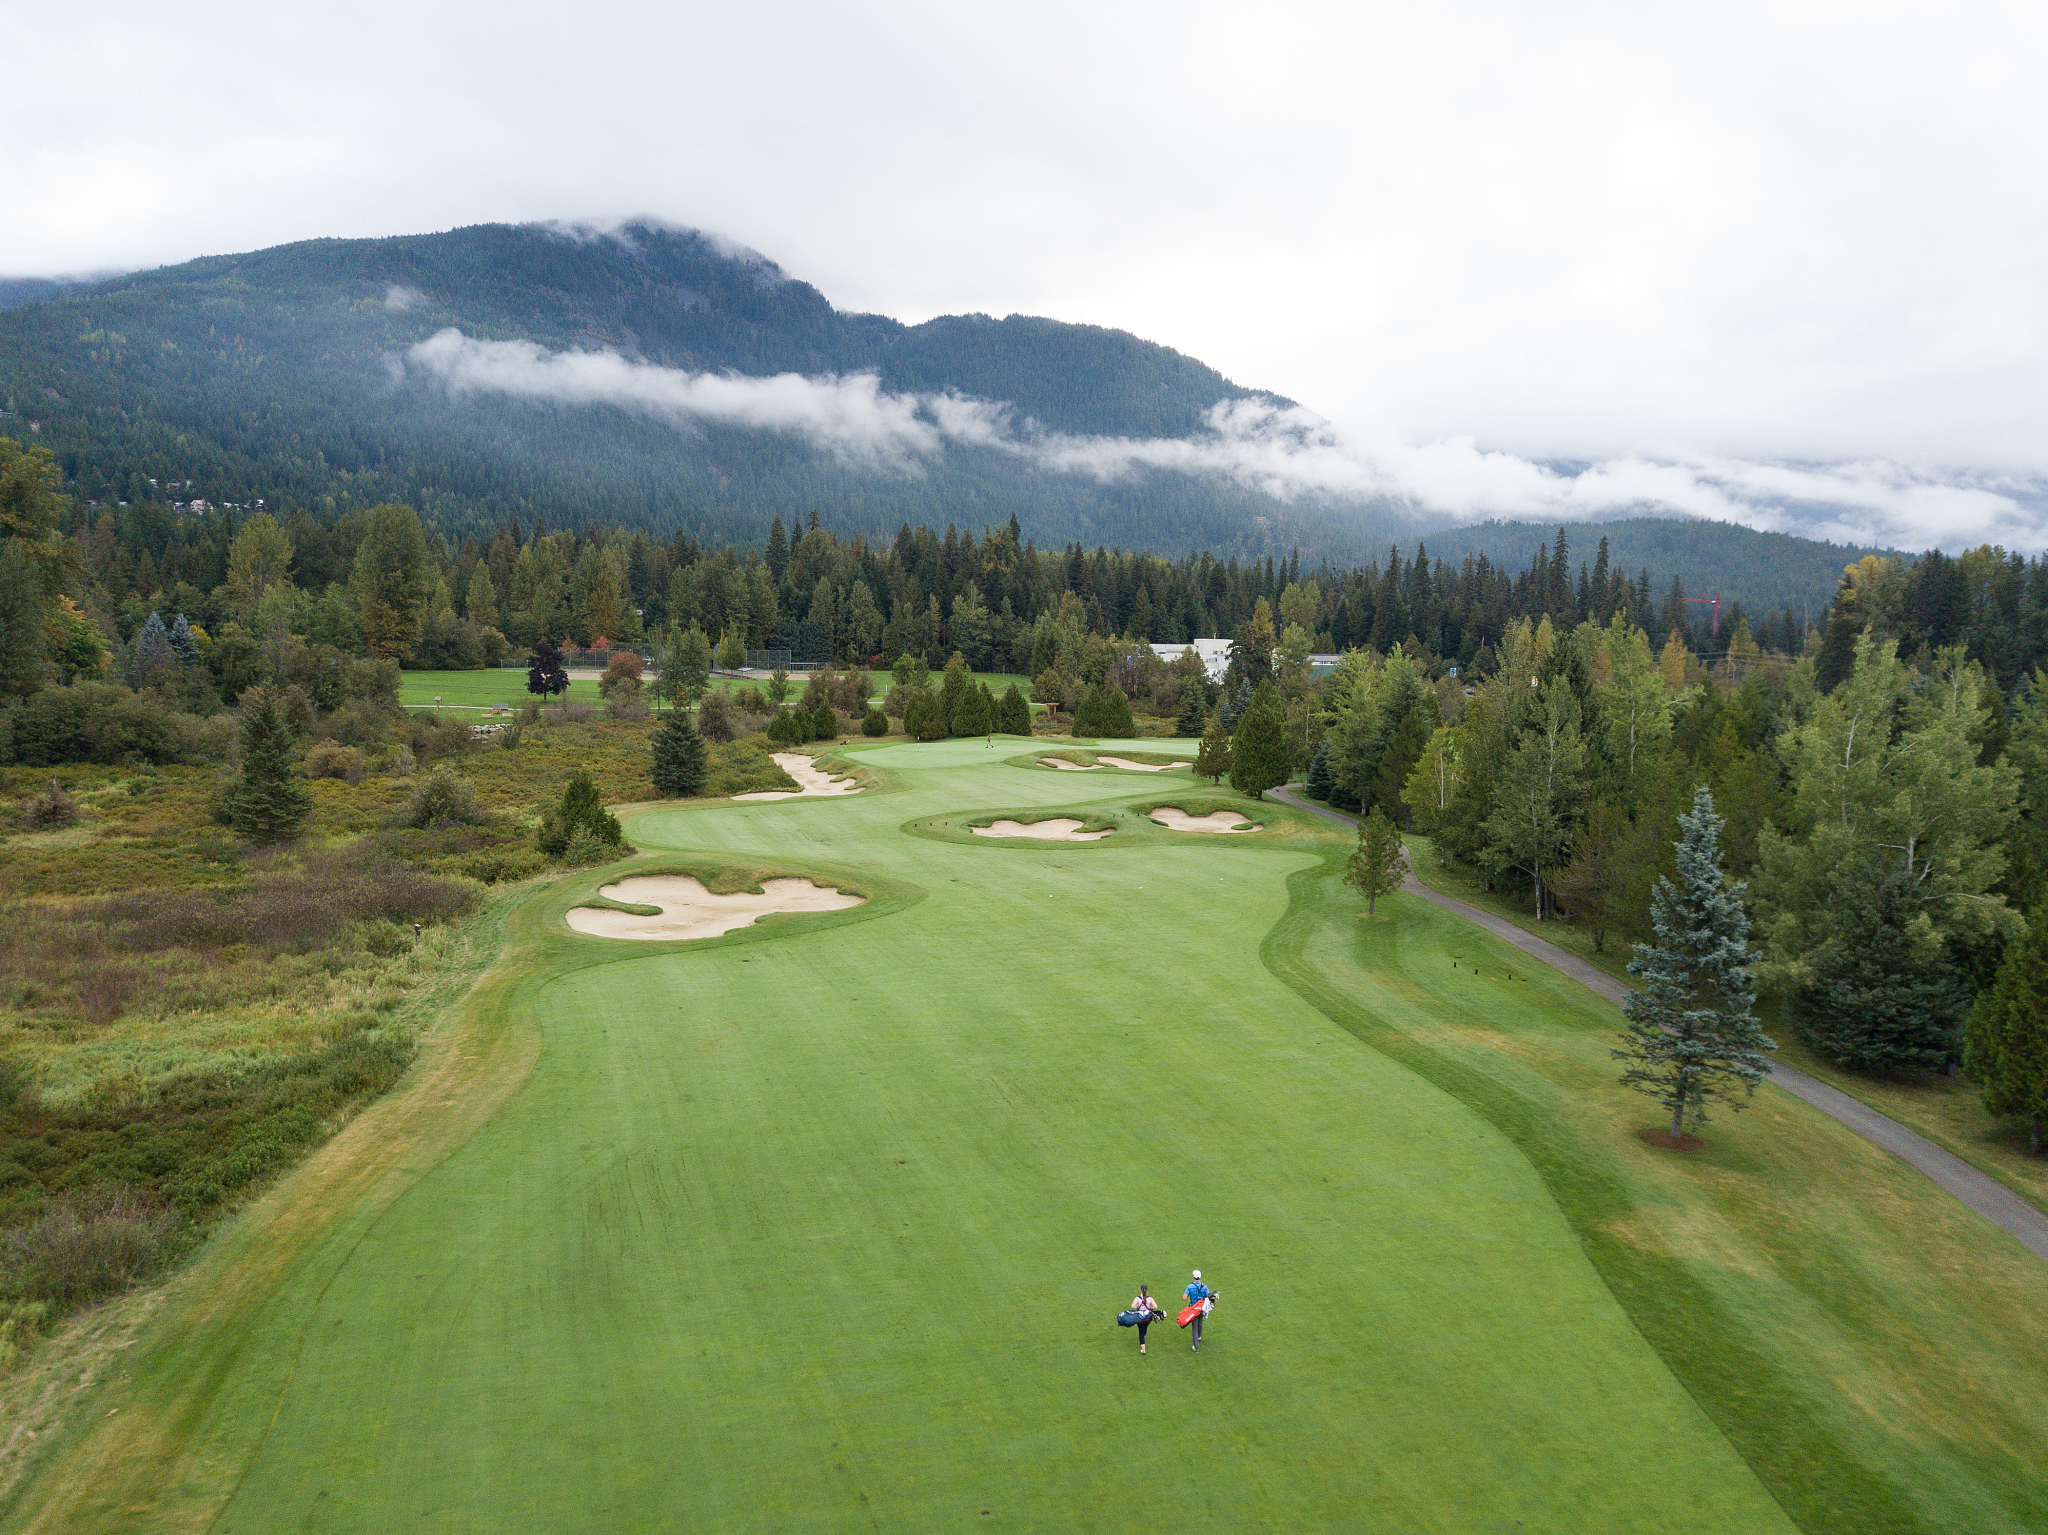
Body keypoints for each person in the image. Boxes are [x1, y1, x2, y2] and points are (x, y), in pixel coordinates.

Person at [1185, 1270, 1216, 1352]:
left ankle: (1196, 1346)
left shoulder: (1190, 1286)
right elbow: (1209, 1296)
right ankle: (1199, 1336)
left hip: (1193, 1309)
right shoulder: (1204, 1286)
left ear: (1193, 1277)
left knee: (1194, 1326)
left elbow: (1184, 1297)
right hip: (1202, 1308)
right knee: (1200, 1321)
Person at [1129, 1284, 1162, 1353]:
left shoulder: (1137, 1298)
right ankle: (1142, 1341)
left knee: (1141, 1332)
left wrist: (1137, 1307)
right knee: (1144, 1330)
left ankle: (1143, 1349)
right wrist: (1150, 1308)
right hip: (1148, 1317)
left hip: (1140, 1317)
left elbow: (1132, 1306)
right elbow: (1155, 1306)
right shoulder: (1150, 1298)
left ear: (1140, 1290)